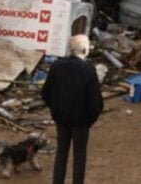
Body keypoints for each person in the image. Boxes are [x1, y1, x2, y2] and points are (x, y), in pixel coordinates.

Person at [41, 34, 103, 184]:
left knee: (61, 153)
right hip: (81, 122)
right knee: (79, 157)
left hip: (61, 119)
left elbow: (45, 93)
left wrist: (55, 109)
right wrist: (91, 118)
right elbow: (95, 102)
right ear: (84, 49)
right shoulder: (88, 70)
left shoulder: (57, 66)